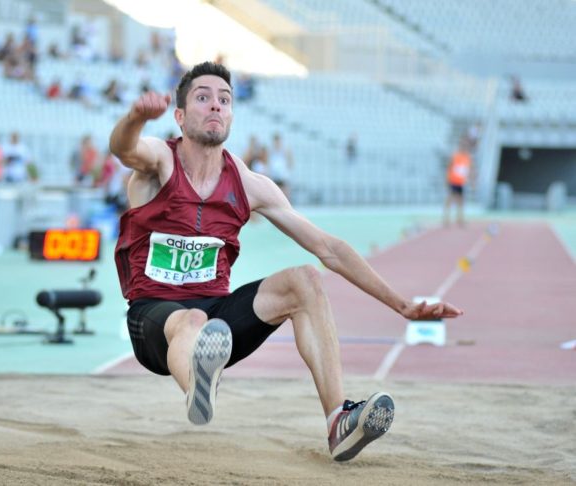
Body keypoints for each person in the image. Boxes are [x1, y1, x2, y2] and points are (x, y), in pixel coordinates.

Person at [109, 62, 463, 462]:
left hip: (219, 321)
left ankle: (338, 421)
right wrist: (135, 117)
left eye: (224, 100)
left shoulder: (249, 185)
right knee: (191, 322)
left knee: (305, 279)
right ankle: (198, 383)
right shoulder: (161, 161)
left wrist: (402, 305)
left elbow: (328, 249)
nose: (215, 106)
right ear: (179, 116)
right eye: (203, 98)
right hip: (154, 317)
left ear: (231, 115)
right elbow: (124, 148)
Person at [443, 139, 474, 227]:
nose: (464, 147)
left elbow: (469, 170)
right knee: (450, 200)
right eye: (463, 145)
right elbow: (449, 167)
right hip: (453, 181)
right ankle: (446, 219)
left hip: (461, 182)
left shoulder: (467, 157)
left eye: (466, 146)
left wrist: (471, 180)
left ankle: (460, 219)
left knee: (461, 201)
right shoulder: (455, 156)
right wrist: (447, 179)